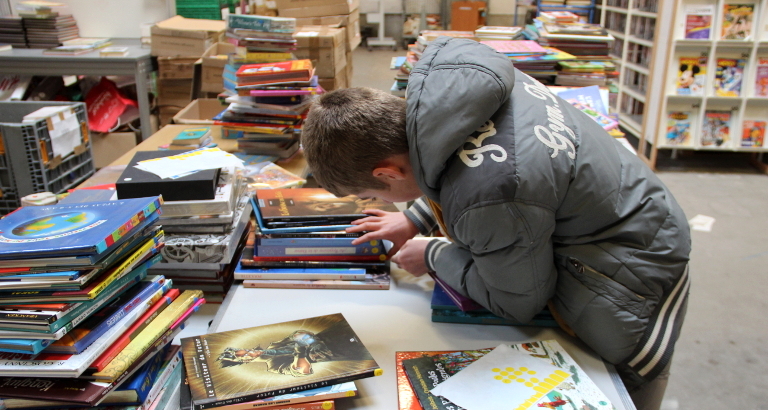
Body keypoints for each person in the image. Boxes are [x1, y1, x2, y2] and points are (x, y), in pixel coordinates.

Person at [301, 37, 691, 410]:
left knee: (624, 386)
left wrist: (435, 254)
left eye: (375, 194)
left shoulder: (490, 195)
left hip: (633, 276)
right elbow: (461, 161)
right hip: (635, 203)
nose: (380, 203)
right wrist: (414, 218)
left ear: (387, 173)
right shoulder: (458, 87)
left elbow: (517, 300)